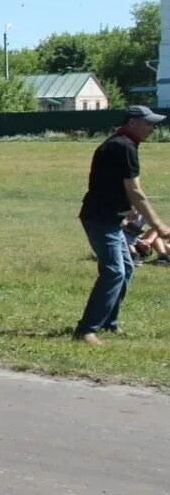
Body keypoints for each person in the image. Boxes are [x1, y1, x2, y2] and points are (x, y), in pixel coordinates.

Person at [74, 106, 170, 345]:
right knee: (114, 271)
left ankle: (108, 322)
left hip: (112, 218)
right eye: (148, 123)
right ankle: (86, 329)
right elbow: (135, 190)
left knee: (125, 269)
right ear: (133, 122)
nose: (152, 128)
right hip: (101, 219)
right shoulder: (123, 146)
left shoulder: (123, 144)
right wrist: (158, 224)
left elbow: (119, 186)